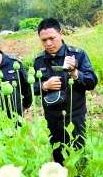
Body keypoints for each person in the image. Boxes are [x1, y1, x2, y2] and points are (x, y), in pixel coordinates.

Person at [33, 18, 98, 165]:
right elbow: (32, 88)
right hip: (52, 118)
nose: (48, 43)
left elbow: (91, 82)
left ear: (61, 34)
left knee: (78, 155)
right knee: (58, 156)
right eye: (44, 40)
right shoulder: (39, 61)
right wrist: (45, 85)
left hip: (75, 116)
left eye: (52, 38)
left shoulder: (78, 55)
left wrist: (75, 73)